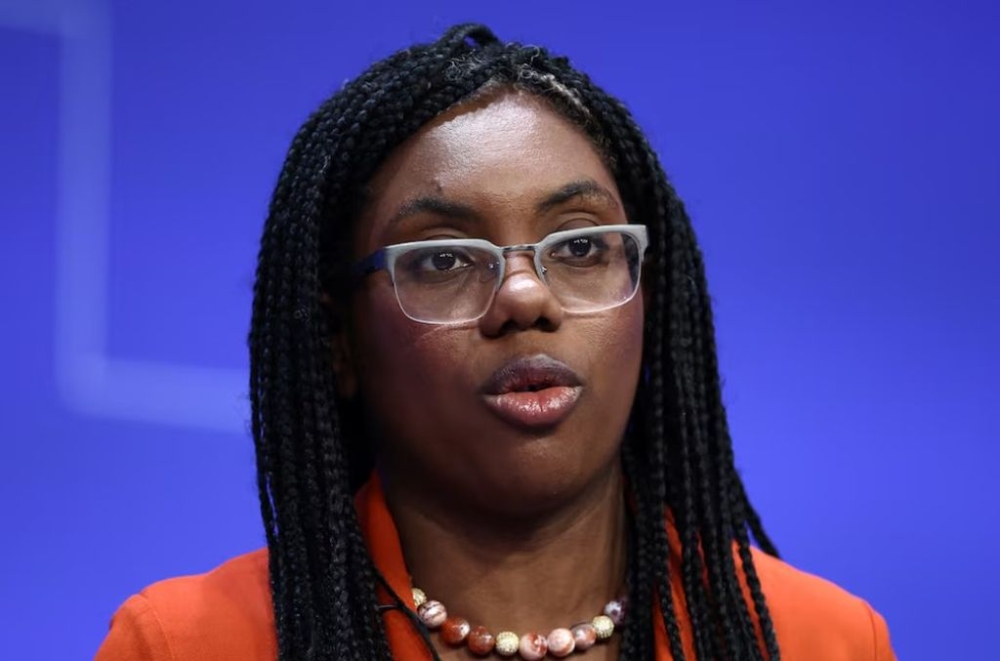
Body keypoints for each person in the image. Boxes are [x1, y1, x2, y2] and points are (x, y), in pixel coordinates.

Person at [96, 23, 895, 661]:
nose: (524, 297)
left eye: (581, 247)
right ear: (339, 341)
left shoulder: (819, 639)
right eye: (443, 258)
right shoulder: (189, 644)